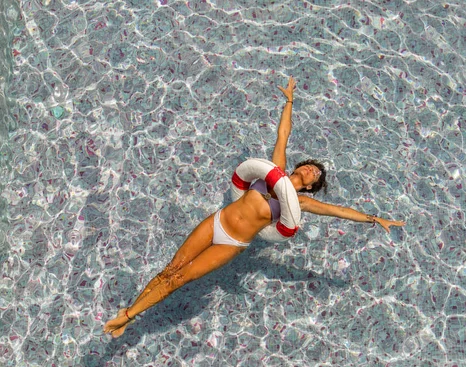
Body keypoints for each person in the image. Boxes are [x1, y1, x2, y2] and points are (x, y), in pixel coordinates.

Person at [103, 76, 406, 338]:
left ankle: (128, 316)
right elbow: (283, 135)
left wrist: (373, 218)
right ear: (301, 166)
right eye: (312, 166)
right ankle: (128, 316)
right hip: (218, 221)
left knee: (180, 279)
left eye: (316, 174)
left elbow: (337, 211)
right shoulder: (276, 169)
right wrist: (290, 102)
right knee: (171, 268)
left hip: (232, 243)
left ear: (312, 186)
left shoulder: (301, 202)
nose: (313, 170)